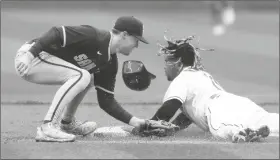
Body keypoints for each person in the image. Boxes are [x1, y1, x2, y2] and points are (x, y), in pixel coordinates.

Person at [14, 16, 158, 142]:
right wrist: (29, 56)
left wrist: (137, 122)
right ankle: (48, 126)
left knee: (88, 78)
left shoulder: (109, 62)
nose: (137, 45)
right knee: (82, 75)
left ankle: (67, 123)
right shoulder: (94, 36)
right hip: (33, 57)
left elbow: (106, 101)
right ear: (125, 35)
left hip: (43, 61)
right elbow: (56, 33)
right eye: (136, 40)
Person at [149, 33, 279, 142]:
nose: (165, 66)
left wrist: (146, 126)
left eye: (167, 61)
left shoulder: (181, 80)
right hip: (238, 102)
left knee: (223, 129)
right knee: (268, 120)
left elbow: (168, 108)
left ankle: (242, 132)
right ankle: (254, 129)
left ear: (178, 63)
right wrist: (175, 127)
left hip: (215, 109)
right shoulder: (201, 75)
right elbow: (190, 113)